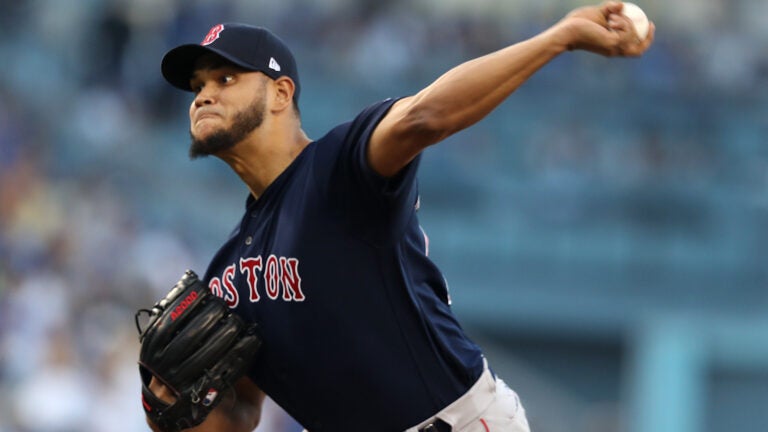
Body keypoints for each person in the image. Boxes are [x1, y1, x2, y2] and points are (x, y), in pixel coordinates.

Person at [148, 2, 654, 431]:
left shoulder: (337, 167)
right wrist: (168, 406)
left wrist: (559, 37)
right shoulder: (228, 271)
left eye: (226, 77)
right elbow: (239, 416)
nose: (204, 95)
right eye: (197, 86)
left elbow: (423, 116)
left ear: (281, 94)